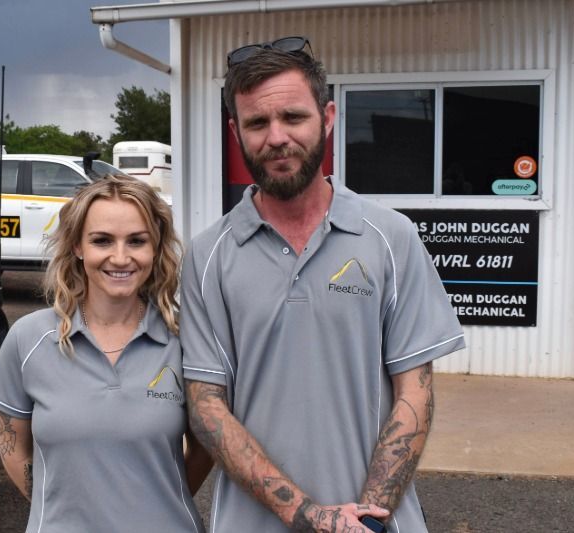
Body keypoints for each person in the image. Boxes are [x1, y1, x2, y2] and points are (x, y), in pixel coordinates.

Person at [180, 36, 466, 532]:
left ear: (327, 117)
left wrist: (369, 517)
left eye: (293, 117)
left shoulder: (389, 237)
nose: (276, 137)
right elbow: (207, 406)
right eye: (257, 123)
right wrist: (308, 514)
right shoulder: (208, 256)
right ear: (236, 131)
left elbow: (415, 389)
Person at [0, 174, 210, 532]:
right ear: (78, 246)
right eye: (102, 240)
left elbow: (205, 447)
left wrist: (158, 504)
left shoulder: (187, 339)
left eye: (137, 241)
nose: (120, 258)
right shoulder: (28, 339)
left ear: (155, 246)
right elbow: (12, 446)